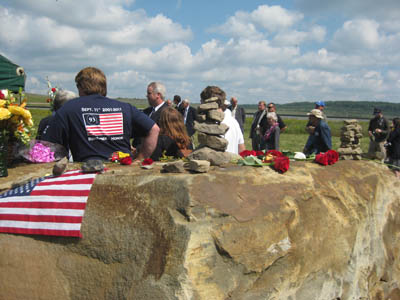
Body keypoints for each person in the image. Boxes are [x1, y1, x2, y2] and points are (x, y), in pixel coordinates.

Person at [43, 67, 159, 162]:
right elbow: (154, 129)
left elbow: (49, 147)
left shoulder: (69, 108)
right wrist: (139, 160)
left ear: (81, 87)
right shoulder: (125, 108)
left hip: (86, 174)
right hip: (122, 172)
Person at [200, 86, 245, 155]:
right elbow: (242, 149)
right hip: (234, 163)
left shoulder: (213, 124)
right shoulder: (234, 121)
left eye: (201, 101)